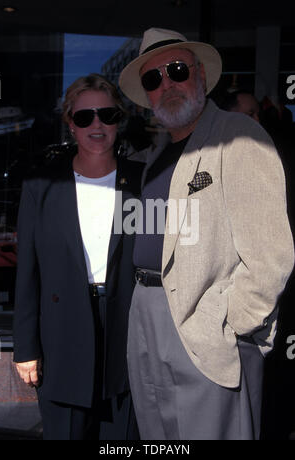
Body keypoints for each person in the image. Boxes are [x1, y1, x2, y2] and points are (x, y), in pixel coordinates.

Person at [119, 27, 294, 440]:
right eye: (152, 79)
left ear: (199, 74)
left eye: (176, 70)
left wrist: (232, 323)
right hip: (146, 315)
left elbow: (271, 256)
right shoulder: (156, 158)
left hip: (207, 324)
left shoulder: (238, 134)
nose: (167, 84)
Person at [13, 73, 143, 440]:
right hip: (62, 330)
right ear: (70, 122)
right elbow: (28, 271)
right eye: (85, 117)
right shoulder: (41, 185)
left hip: (125, 329)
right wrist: (25, 347)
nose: (97, 125)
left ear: (120, 119)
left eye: (107, 115)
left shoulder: (141, 182)